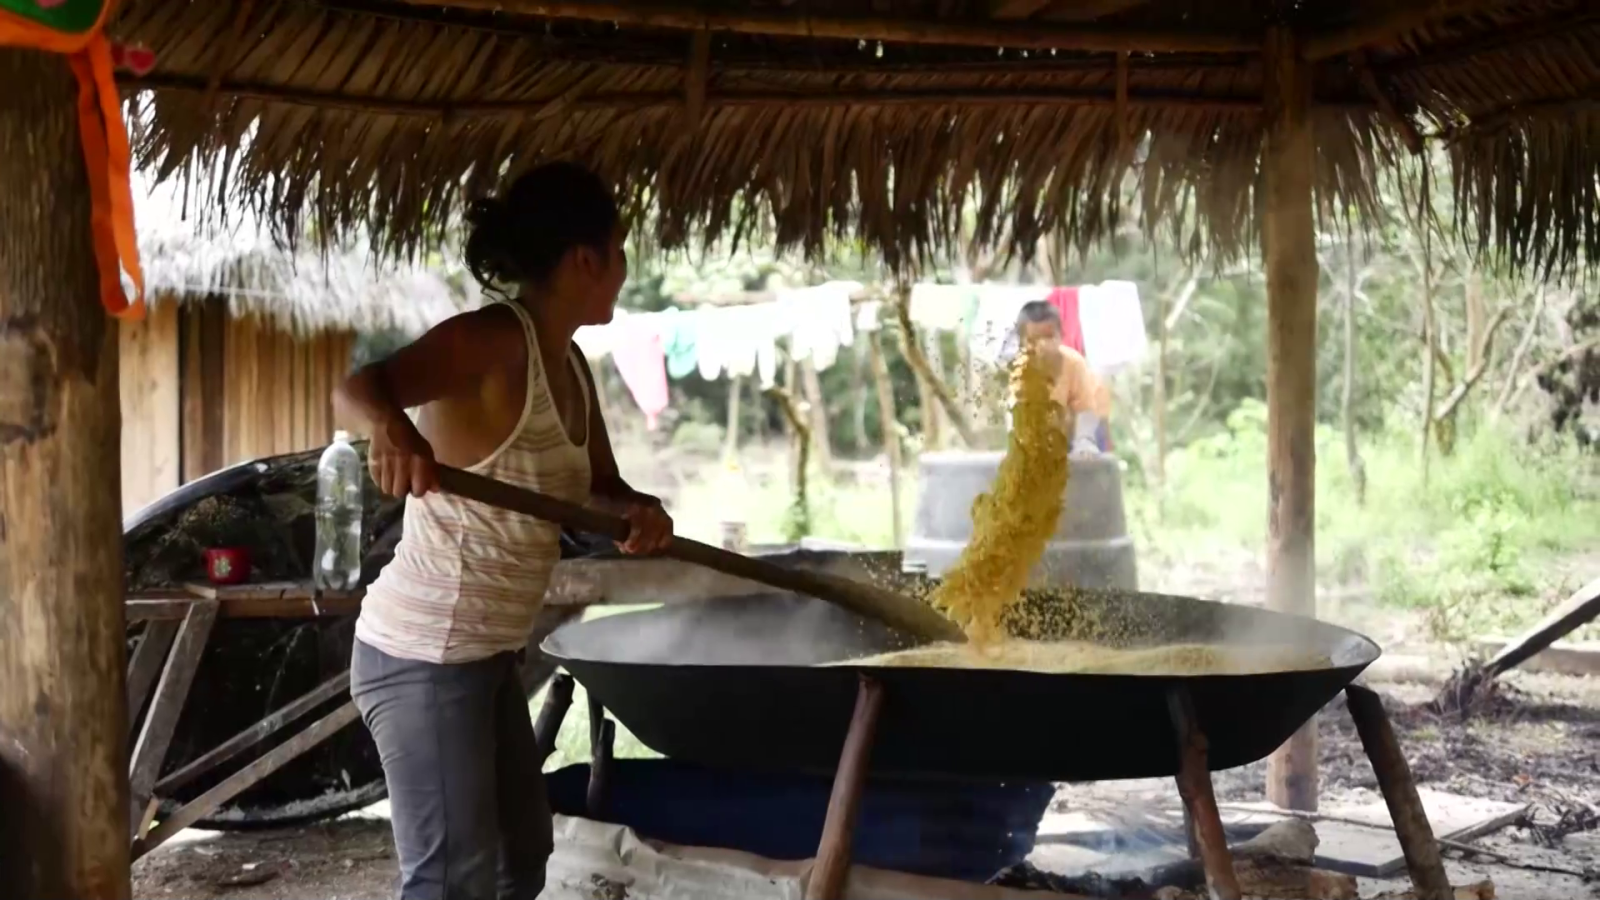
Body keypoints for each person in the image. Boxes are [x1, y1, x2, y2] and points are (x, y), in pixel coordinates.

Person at [332, 160, 673, 900]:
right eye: (618, 250)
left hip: (484, 655)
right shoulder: (493, 342)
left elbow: (602, 490)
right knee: (451, 881)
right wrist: (390, 428)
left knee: (521, 857)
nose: (624, 268)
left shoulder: (569, 366)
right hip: (423, 650)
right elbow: (360, 386)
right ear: (586, 259)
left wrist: (638, 511)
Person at [1015, 300, 1111, 457]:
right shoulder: (1020, 371)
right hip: (1044, 431)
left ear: (1061, 336)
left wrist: (1084, 440)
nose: (1042, 345)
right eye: (1033, 340)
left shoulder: (1074, 363)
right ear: (1022, 343)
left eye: (1049, 337)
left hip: (1080, 425)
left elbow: (1085, 408)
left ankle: (1084, 442)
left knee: (1087, 452)